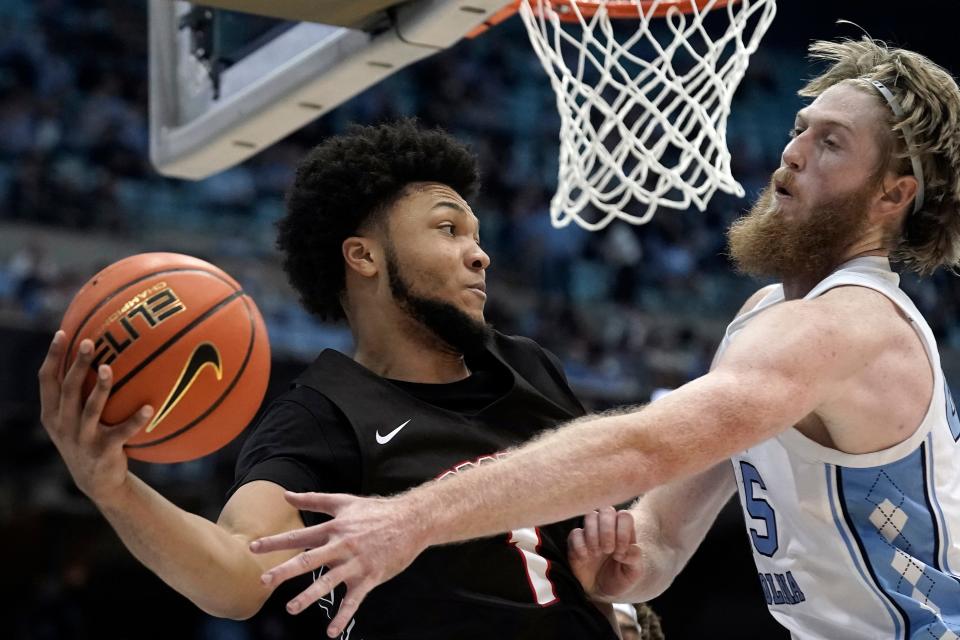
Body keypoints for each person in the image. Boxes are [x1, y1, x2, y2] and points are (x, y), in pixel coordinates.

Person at [249, 38, 960, 639]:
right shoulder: (767, 315)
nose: (794, 152)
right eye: (800, 127)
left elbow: (644, 446)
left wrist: (410, 518)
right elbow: (667, 533)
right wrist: (629, 564)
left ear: (893, 195)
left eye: (830, 142)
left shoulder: (847, 326)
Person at [37, 120, 630, 639]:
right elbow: (238, 576)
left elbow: (615, 551)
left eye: (475, 235)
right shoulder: (321, 416)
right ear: (363, 256)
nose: (480, 255)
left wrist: (622, 592)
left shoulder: (530, 366)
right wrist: (113, 489)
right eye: (449, 229)